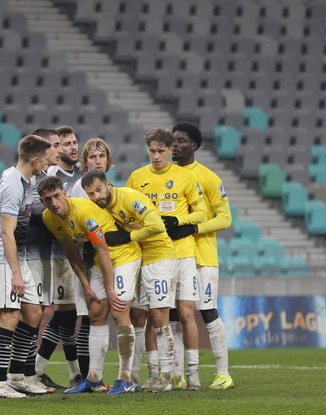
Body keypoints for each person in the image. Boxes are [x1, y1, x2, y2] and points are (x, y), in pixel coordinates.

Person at [38, 176, 142, 395]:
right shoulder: (49, 218)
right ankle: (94, 378)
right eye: (48, 199)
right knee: (95, 312)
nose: (54, 202)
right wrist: (85, 285)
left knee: (120, 309)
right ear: (42, 201)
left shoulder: (84, 211)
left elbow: (103, 249)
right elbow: (71, 251)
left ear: (64, 193)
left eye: (57, 196)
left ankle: (126, 378)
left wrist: (110, 288)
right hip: (97, 261)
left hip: (123, 256)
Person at [84, 169, 183, 392]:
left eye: (99, 190)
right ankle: (144, 376)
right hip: (138, 258)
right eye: (90, 194)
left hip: (159, 257)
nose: (96, 196)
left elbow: (157, 225)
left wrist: (127, 236)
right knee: (140, 316)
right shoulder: (103, 207)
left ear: (108, 184)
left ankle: (166, 377)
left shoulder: (129, 197)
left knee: (159, 317)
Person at [124, 128, 207, 391]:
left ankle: (192, 374)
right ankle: (153, 373)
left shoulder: (185, 177)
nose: (156, 156)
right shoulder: (137, 178)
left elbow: (203, 213)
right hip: (150, 254)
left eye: (161, 151)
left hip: (182, 254)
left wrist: (178, 221)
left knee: (185, 313)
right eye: (152, 151)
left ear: (172, 150)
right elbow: (126, 211)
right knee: (150, 314)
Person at [0, 134, 53, 398]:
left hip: (18, 256)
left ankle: (17, 377)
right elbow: (6, 233)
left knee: (34, 314)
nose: (47, 164)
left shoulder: (25, 179)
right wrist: (15, 272)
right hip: (3, 258)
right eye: (45, 159)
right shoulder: (13, 186)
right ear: (35, 160)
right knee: (10, 316)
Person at [171, 122, 234, 390]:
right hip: (173, 257)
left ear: (194, 146)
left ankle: (223, 374)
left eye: (181, 140)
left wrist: (195, 227)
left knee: (207, 311)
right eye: (172, 140)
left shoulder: (208, 177)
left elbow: (225, 218)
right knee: (173, 315)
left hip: (202, 257)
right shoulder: (167, 176)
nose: (174, 144)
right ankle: (177, 375)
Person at [36, 125, 86, 388]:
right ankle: (49, 370)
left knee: (69, 315)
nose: (72, 147)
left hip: (78, 254)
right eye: (65, 144)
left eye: (74, 142)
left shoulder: (80, 174)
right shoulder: (52, 175)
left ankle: (69, 372)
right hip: (58, 254)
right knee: (65, 314)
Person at [22, 128, 62, 391]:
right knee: (30, 315)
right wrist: (58, 208)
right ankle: (24, 373)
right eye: (55, 144)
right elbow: (27, 210)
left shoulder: (47, 177)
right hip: (31, 253)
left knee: (40, 312)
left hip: (47, 254)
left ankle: (29, 373)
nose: (58, 149)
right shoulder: (28, 178)